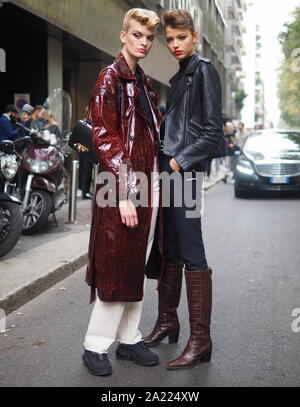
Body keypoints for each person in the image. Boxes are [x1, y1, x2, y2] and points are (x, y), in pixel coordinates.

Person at [82, 8, 161, 376]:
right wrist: (126, 192)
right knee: (115, 265)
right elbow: (105, 139)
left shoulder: (144, 82)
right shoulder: (109, 78)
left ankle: (129, 339)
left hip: (148, 184)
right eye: (137, 35)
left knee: (133, 266)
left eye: (148, 37)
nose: (143, 42)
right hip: (121, 188)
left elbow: (150, 135)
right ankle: (94, 346)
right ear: (122, 35)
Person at [142, 9, 223, 370]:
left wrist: (176, 164)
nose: (175, 45)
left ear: (195, 35)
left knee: (192, 250)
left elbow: (211, 133)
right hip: (169, 172)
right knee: (169, 247)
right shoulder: (180, 76)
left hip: (183, 172)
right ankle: (167, 320)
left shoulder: (203, 69)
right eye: (170, 40)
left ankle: (201, 339)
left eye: (181, 38)